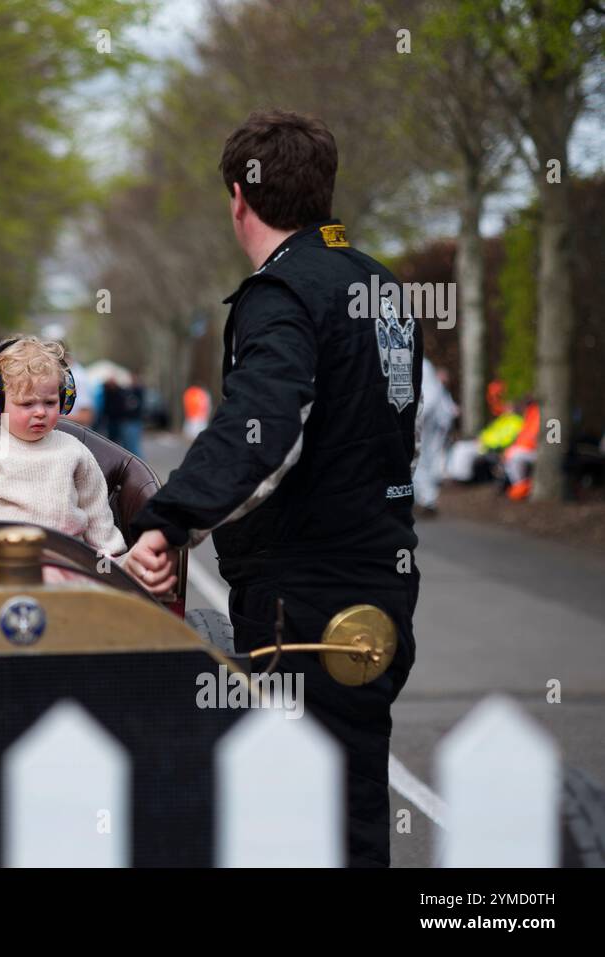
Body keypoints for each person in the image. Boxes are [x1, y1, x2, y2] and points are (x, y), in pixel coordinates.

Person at [123, 110, 422, 867]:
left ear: (237, 197)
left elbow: (266, 430)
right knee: (350, 796)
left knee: (299, 810)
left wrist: (169, 520)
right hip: (381, 576)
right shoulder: (381, 285)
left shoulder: (284, 290)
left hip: (306, 591)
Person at [0, 336, 129, 560]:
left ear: (64, 398)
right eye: (27, 404)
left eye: (49, 402)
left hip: (68, 561)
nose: (40, 412)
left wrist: (111, 556)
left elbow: (96, 512)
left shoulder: (74, 451)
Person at [413, 358, 458, 516]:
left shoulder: (421, 363)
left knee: (423, 462)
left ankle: (427, 499)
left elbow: (430, 397)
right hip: (425, 423)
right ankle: (423, 498)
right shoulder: (421, 363)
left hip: (425, 425)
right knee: (422, 462)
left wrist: (417, 417)